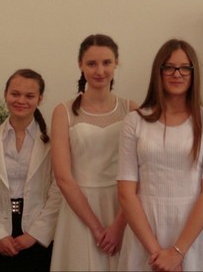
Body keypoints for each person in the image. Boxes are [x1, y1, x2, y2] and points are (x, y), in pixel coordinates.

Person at [117, 39, 203, 271]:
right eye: (169, 67)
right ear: (158, 72)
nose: (177, 74)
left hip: (193, 233)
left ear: (193, 72)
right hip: (145, 233)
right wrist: (157, 254)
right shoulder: (134, 121)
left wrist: (177, 253)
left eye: (184, 68)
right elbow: (126, 193)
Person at [49, 34, 137, 271]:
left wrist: (118, 226)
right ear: (80, 65)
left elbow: (140, 171)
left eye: (106, 62)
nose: (100, 71)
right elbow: (63, 177)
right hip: (79, 208)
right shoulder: (63, 111)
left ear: (116, 63)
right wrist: (97, 229)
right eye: (91, 63)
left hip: (122, 206)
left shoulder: (132, 109)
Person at [0, 69, 62, 271]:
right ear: (5, 94)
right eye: (15, 94)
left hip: (38, 231)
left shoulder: (52, 141)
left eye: (29, 96)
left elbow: (58, 190)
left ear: (40, 99)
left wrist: (35, 234)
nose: (21, 100)